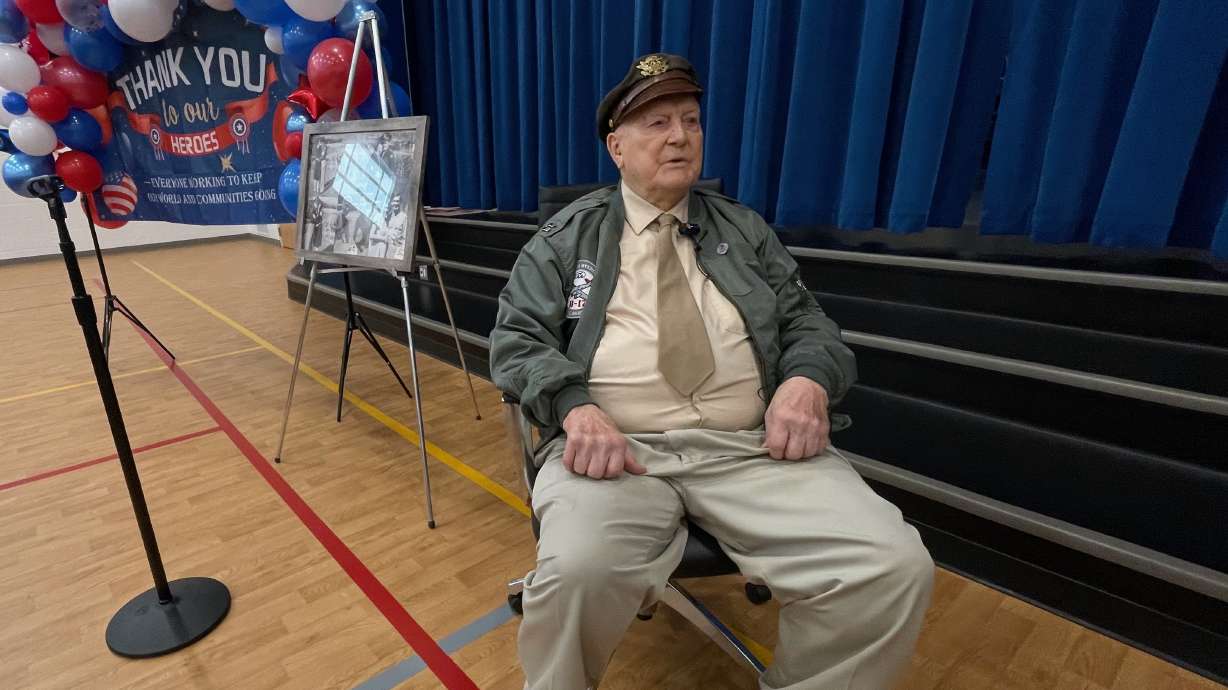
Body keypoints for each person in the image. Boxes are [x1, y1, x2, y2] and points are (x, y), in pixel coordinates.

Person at [490, 53, 933, 690]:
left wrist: (805, 382)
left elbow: (809, 325)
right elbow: (515, 340)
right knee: (577, 571)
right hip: (618, 452)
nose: (679, 136)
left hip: (751, 448)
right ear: (616, 147)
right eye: (657, 123)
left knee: (892, 566)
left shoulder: (745, 231)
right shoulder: (567, 241)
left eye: (691, 121)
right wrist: (572, 405)